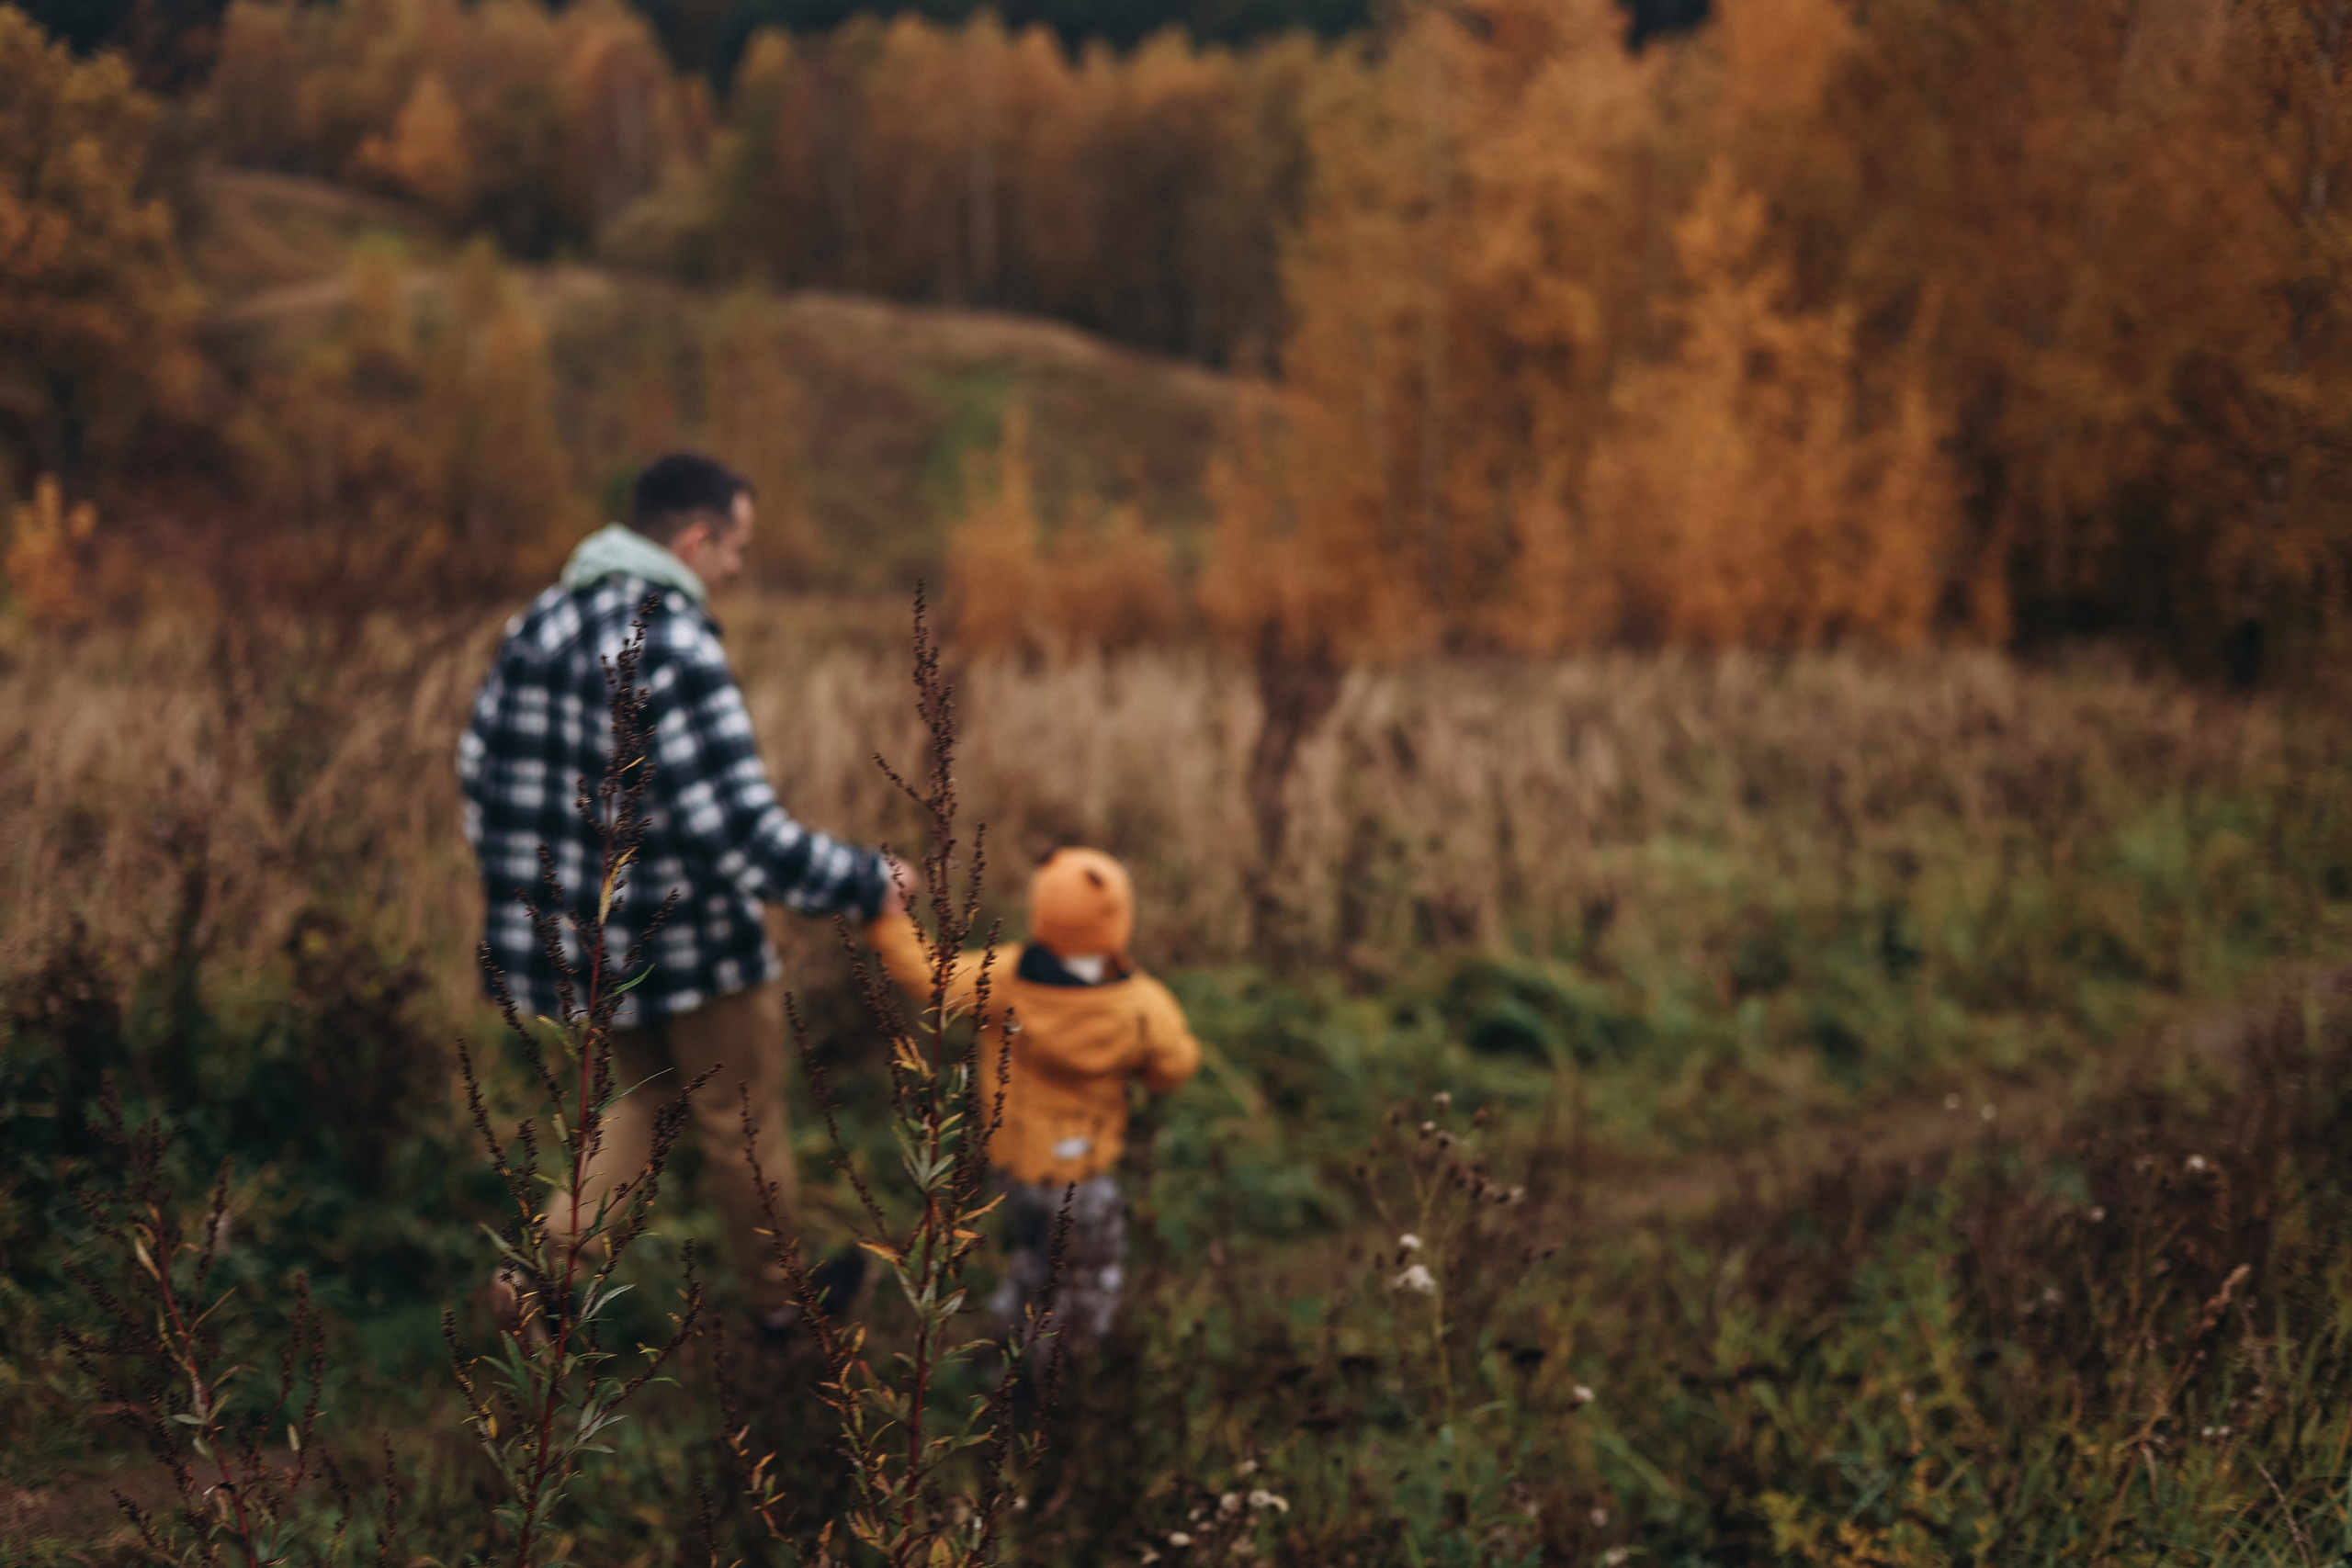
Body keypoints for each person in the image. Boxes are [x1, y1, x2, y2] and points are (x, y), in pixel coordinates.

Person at [458, 451, 897, 1335]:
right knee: (739, 1119)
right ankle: (786, 1310)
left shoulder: (538, 623)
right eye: (737, 547)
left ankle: (539, 1283)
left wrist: (555, 901)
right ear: (697, 539)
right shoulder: (675, 641)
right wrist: (864, 879)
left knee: (651, 1095)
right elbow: (738, 830)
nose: (737, 568)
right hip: (694, 937)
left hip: (590, 943)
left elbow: (479, 772)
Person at [865, 847, 1200, 1358]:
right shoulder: (1142, 1005)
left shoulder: (1006, 979)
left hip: (1015, 1160)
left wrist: (888, 916)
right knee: (1088, 1271)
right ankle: (1062, 1371)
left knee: (1031, 1251)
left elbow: (928, 977)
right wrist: (1147, 1072)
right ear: (1118, 920)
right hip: (1085, 1170)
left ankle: (1000, 1345)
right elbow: (1175, 1067)